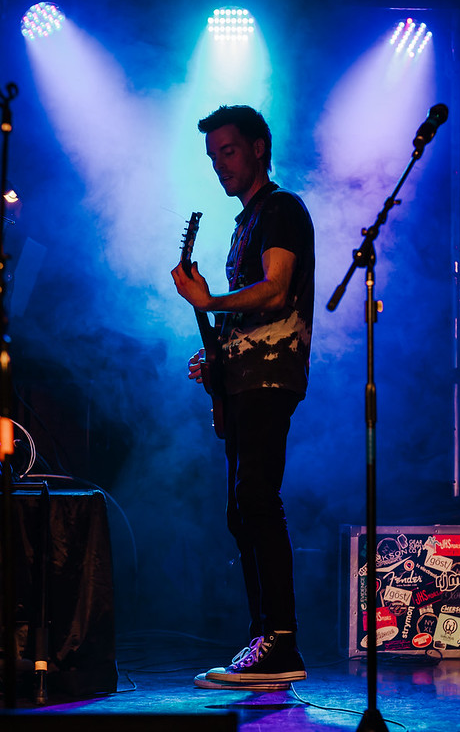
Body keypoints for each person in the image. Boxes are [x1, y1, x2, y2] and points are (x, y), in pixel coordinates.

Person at [172, 105, 314, 686]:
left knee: (257, 498)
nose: (219, 165)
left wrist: (209, 303)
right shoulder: (245, 222)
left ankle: (282, 641)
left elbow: (276, 291)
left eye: (227, 151)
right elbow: (249, 310)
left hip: (271, 376)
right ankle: (265, 638)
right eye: (212, 157)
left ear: (259, 148)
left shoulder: (281, 209)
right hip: (245, 376)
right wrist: (218, 353)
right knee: (241, 510)